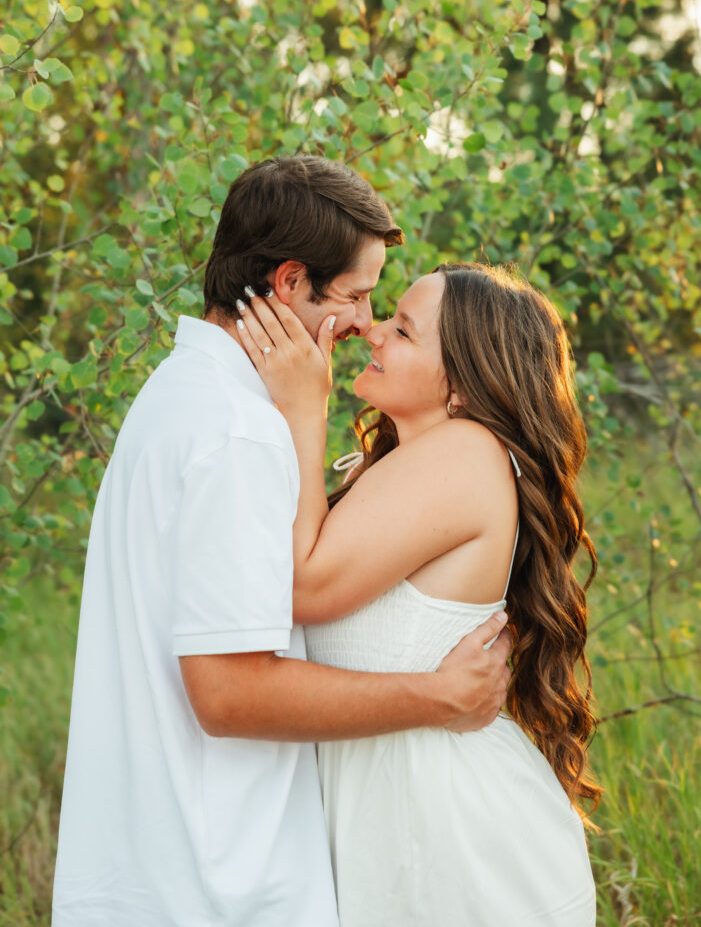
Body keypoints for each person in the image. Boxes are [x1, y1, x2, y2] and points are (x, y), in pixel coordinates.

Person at [52, 158, 513, 927]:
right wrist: (439, 696)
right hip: (216, 883)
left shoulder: (181, 396)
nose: (367, 323)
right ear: (289, 283)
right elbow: (229, 693)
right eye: (359, 297)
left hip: (170, 867)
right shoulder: (237, 432)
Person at [235, 261, 600, 926]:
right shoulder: (427, 460)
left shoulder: (463, 450)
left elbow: (304, 585)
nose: (372, 332)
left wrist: (303, 405)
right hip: (402, 823)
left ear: (460, 385)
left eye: (402, 330)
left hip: (448, 840)